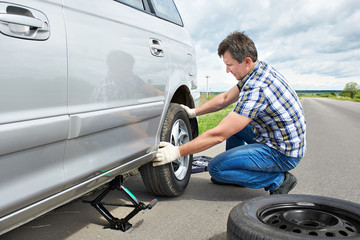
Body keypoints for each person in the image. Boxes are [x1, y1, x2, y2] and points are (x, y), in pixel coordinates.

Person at [153, 31, 306, 195]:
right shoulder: (258, 69)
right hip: (274, 138)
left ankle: (278, 181)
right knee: (231, 121)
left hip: (282, 154)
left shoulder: (257, 88)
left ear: (246, 61)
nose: (227, 70)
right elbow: (225, 98)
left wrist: (178, 151)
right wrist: (193, 111)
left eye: (230, 65)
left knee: (216, 169)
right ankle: (235, 173)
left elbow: (218, 135)